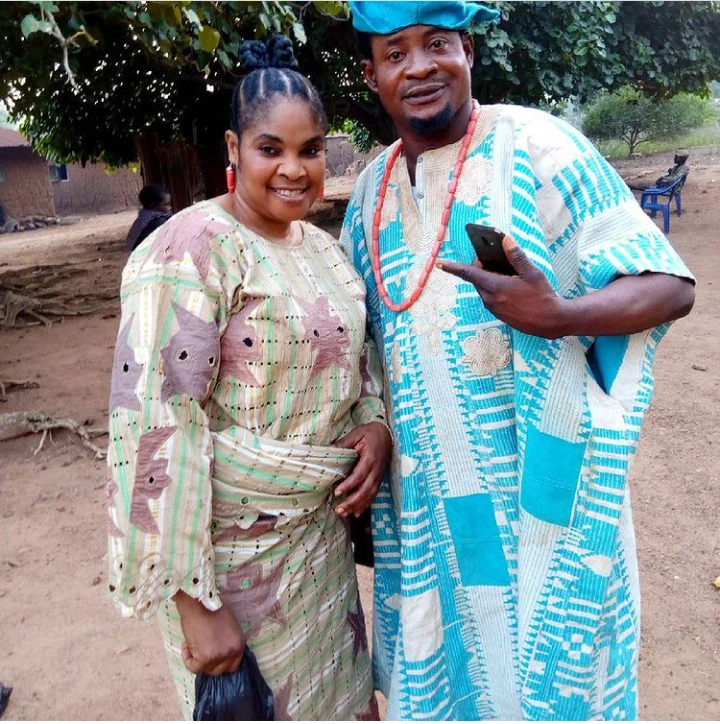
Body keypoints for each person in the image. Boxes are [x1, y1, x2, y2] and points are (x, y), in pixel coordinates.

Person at [341, 2, 695, 720]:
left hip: (547, 509)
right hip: (432, 520)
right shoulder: (368, 198)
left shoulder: (538, 145)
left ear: (468, 50)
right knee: (455, 686)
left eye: (438, 43)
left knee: (556, 690)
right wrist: (373, 426)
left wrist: (560, 315)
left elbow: (668, 284)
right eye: (396, 52)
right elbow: (364, 352)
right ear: (372, 75)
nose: (420, 67)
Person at [106, 34, 391, 720]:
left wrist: (375, 425)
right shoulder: (189, 250)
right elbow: (153, 422)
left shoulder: (325, 251)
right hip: (227, 571)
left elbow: (360, 361)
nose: (294, 170)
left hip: (319, 556)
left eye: (310, 149)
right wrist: (193, 602)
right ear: (234, 149)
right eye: (271, 148)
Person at [125, 183, 172, 252]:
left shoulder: (143, 218)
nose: (169, 207)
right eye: (166, 204)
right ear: (152, 205)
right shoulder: (158, 221)